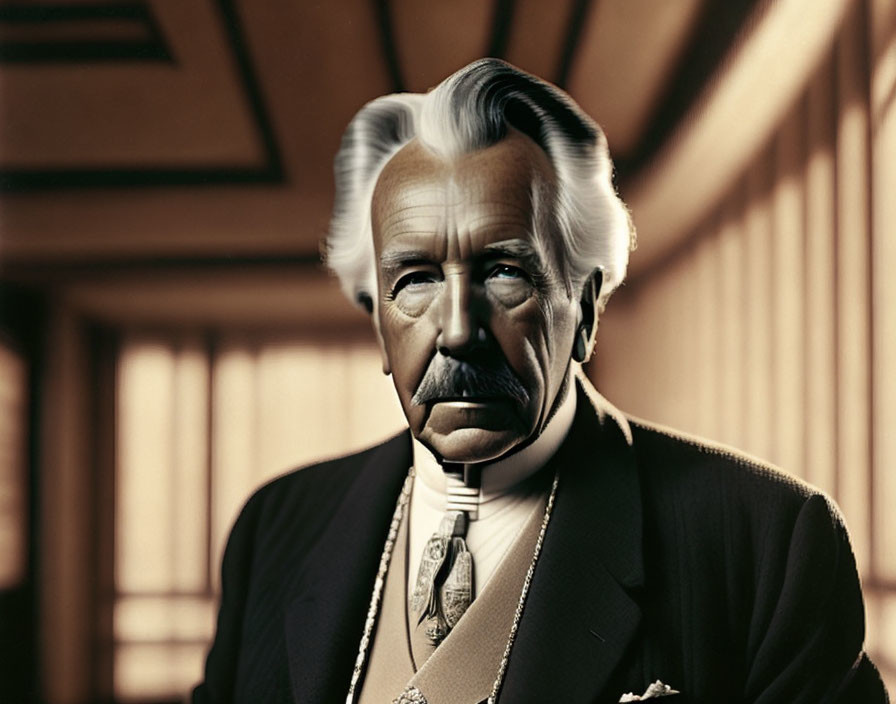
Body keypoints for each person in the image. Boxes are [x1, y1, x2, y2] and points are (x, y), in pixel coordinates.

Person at [193, 59, 888, 704]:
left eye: (505, 272)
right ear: (379, 324)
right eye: (417, 281)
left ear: (584, 310)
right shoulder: (275, 530)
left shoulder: (766, 543)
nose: (458, 328)